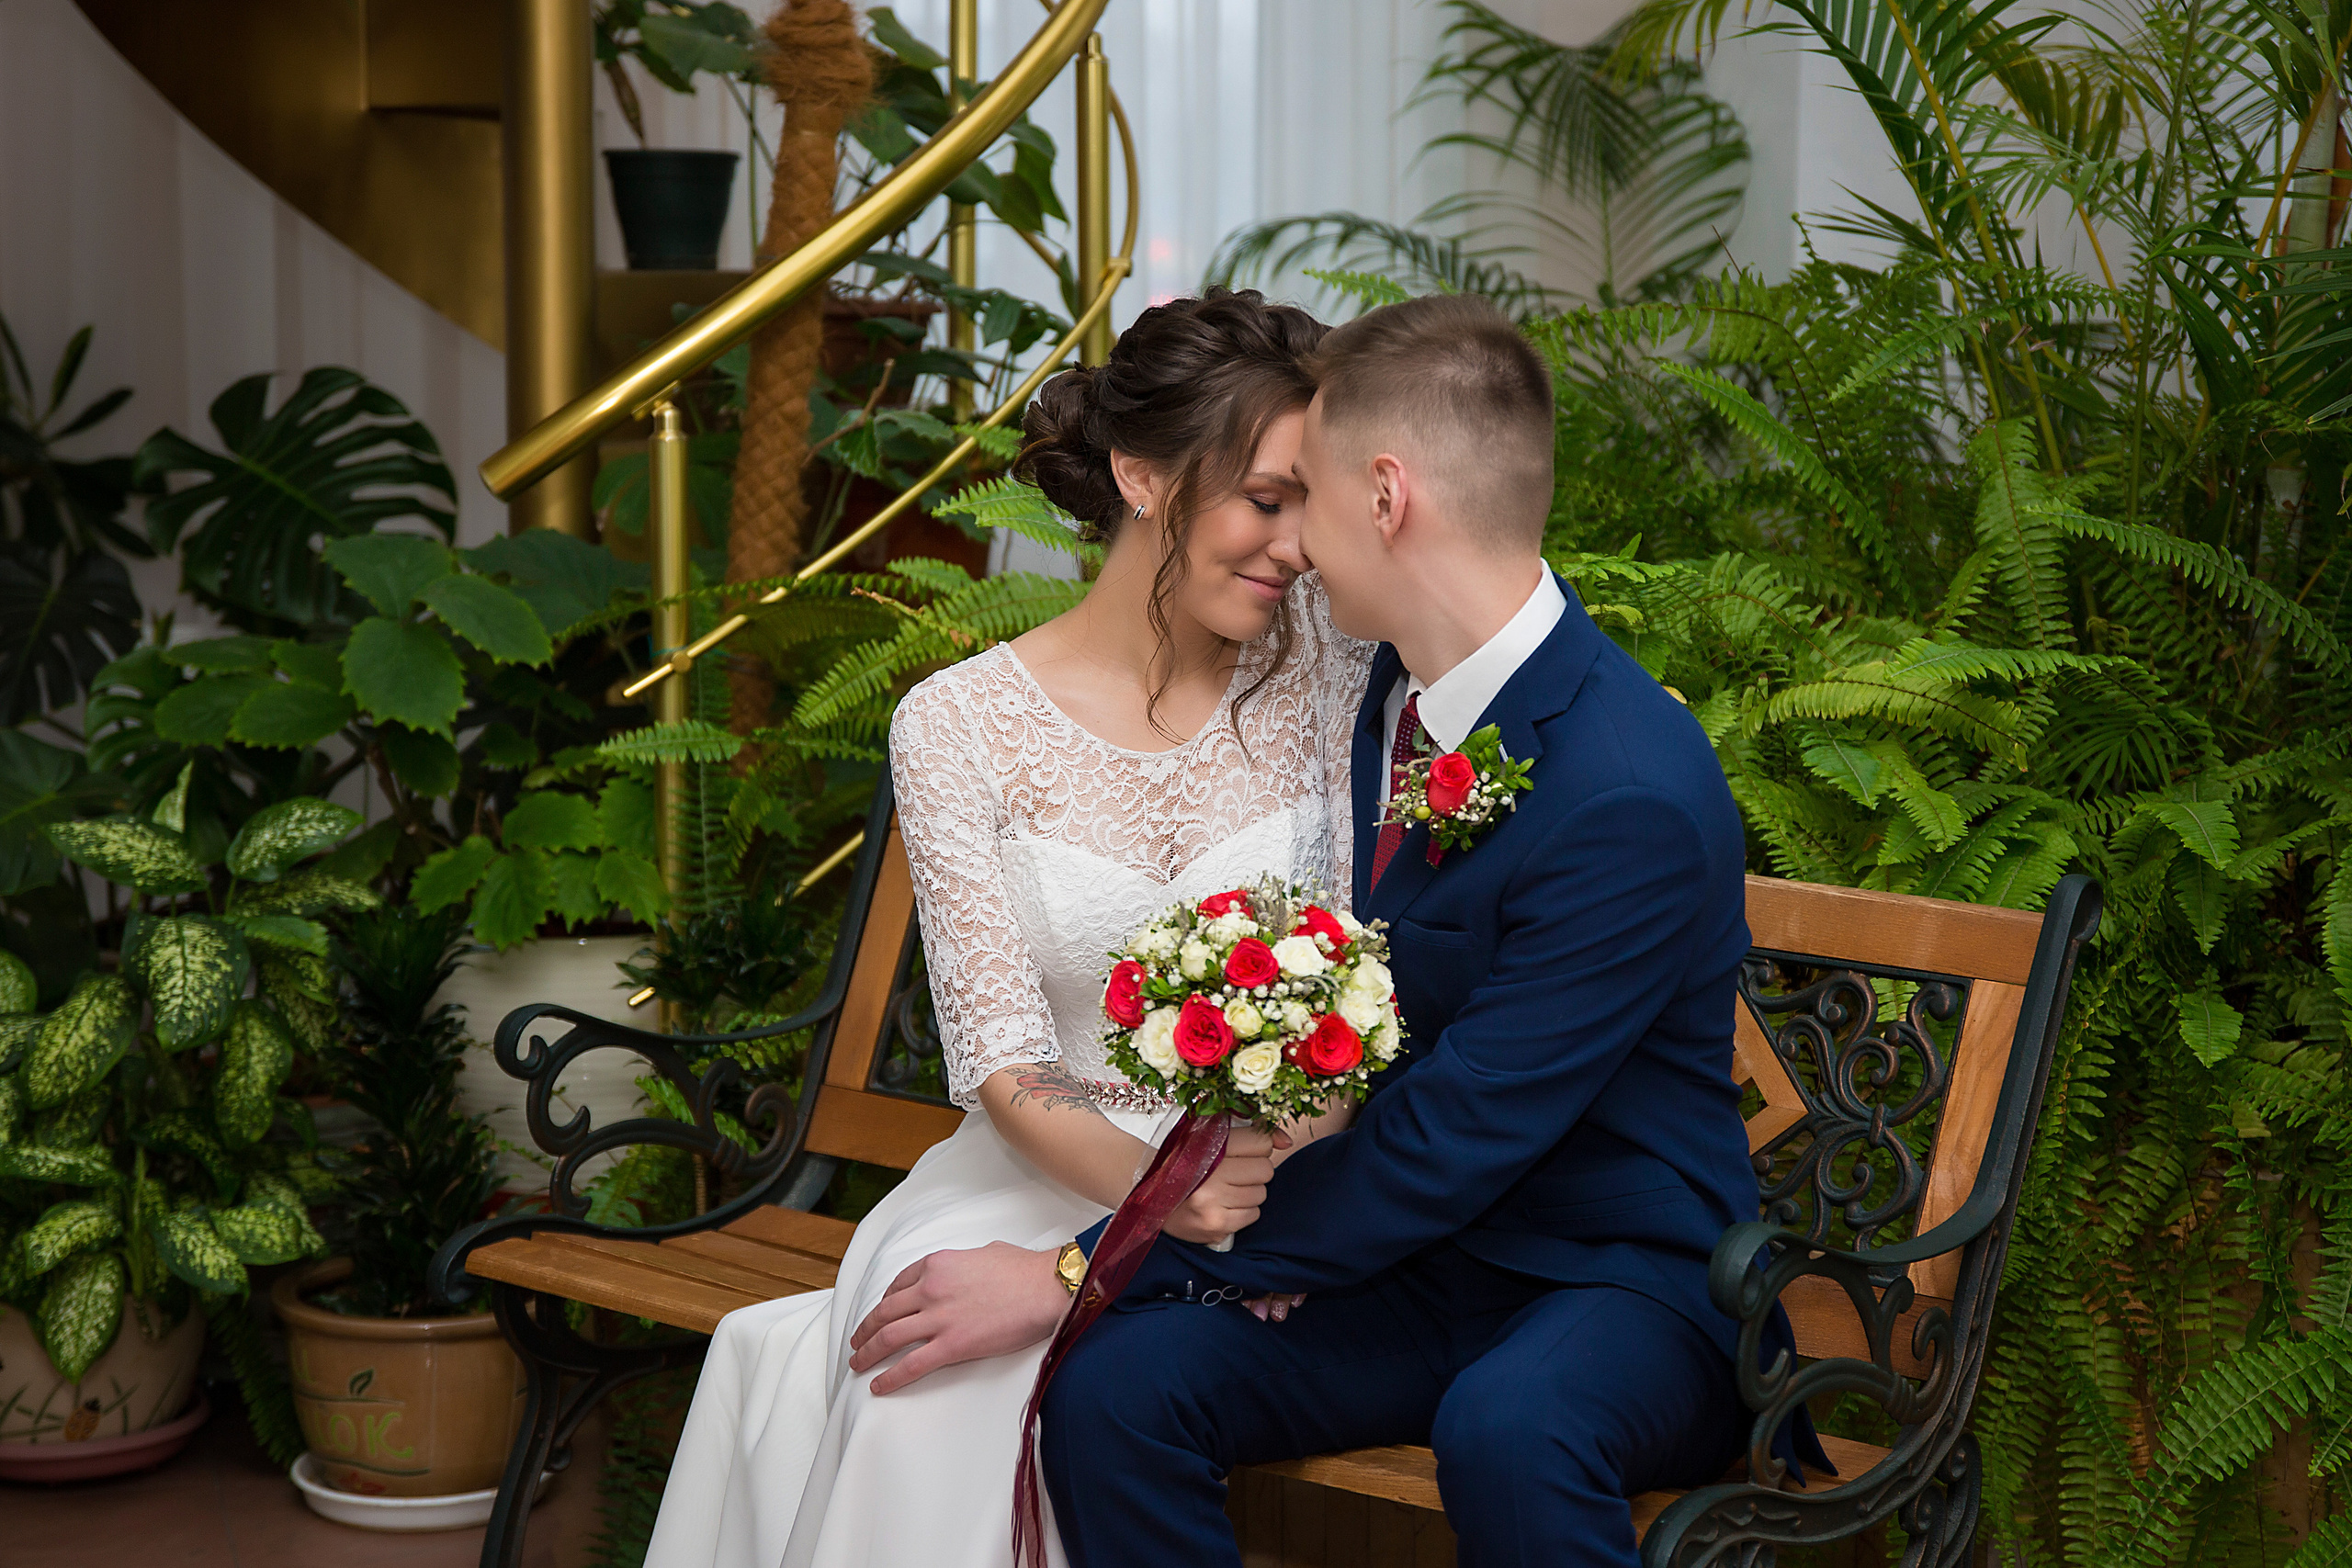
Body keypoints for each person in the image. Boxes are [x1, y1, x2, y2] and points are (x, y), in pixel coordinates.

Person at [845, 292, 1825, 1568]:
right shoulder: (1390, 702)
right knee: (1123, 1391)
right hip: (1420, 1264)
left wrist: (1070, 1275)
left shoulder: (1624, 784)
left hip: (1618, 1281)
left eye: (1298, 493)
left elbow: (1453, 1134)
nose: (1291, 545)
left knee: (1511, 1429)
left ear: (1383, 499)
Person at [639, 288, 1369, 1568]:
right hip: (1033, 1184)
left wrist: (1249, 1170)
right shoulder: (960, 725)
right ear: (1143, 478)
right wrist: (1162, 1200)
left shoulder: (1336, 681)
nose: (1297, 544)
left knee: (1098, 1393)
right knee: (936, 1382)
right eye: (1267, 499)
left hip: (1282, 1193)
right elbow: (1007, 1064)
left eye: (1312, 502)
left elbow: (1378, 980)